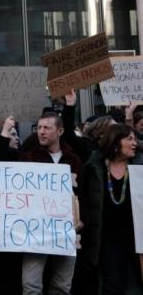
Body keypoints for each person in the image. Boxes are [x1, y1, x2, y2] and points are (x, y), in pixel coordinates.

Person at [20, 112, 81, 295]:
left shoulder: (73, 160)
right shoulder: (28, 158)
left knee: (62, 286)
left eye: (47, 127)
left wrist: (81, 219)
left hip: (67, 231)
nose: (41, 132)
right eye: (39, 127)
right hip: (36, 230)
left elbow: (81, 194)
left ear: (60, 131)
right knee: (30, 285)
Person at [80, 124, 143, 295]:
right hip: (108, 239)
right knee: (112, 286)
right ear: (115, 143)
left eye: (135, 138)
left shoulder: (139, 166)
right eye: (129, 139)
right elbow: (84, 201)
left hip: (136, 239)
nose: (134, 143)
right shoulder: (95, 167)